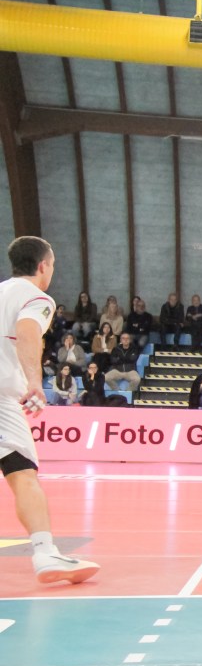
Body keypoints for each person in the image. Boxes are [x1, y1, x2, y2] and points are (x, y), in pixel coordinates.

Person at [1, 236, 99, 583]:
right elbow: (27, 333)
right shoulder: (37, 298)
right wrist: (34, 381)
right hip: (1, 398)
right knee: (22, 473)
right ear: (43, 266)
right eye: (53, 265)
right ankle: (45, 554)